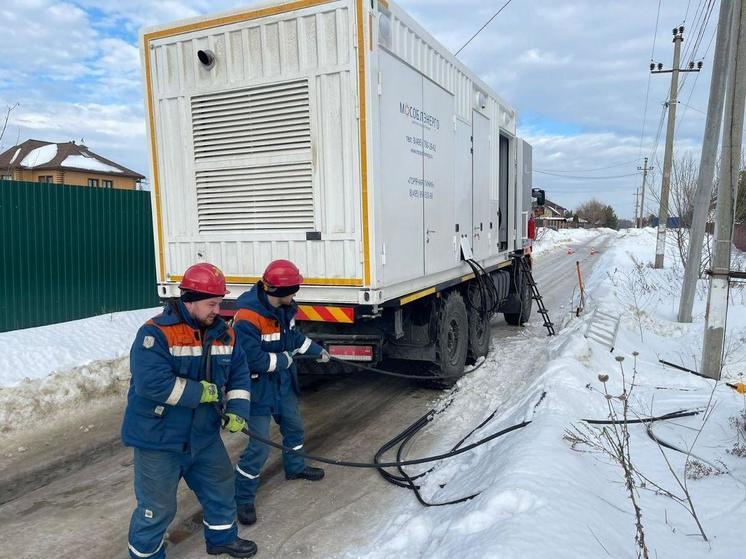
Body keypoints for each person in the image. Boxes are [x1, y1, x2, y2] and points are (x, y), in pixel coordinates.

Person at [122, 263, 257, 558]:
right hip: (159, 438)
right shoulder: (156, 333)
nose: (217, 310)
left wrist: (237, 408)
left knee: (221, 486)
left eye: (220, 303)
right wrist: (202, 392)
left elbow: (239, 373)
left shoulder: (225, 335)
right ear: (190, 299)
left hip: (203, 435)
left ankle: (222, 538)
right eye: (212, 303)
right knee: (157, 508)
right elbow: (151, 384)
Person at [233, 259, 330, 525]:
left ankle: (295, 467)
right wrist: (286, 360)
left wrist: (316, 350)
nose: (296, 294)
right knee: (259, 448)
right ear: (277, 291)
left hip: (281, 386)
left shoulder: (284, 310)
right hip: (257, 390)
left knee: (294, 428)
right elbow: (252, 359)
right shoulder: (247, 318)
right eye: (294, 289)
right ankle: (242, 498)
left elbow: (294, 339)